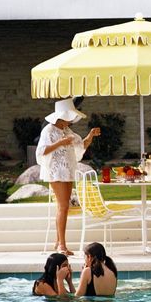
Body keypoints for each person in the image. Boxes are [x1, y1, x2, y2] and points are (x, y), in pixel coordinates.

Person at [36, 98, 101, 256]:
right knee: (63, 206)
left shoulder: (67, 131)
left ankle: (59, 243)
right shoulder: (49, 131)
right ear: (61, 116)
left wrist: (91, 135)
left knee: (64, 207)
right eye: (68, 116)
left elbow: (81, 145)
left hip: (68, 171)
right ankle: (61, 245)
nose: (70, 120)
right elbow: (41, 151)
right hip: (56, 172)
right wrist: (60, 143)